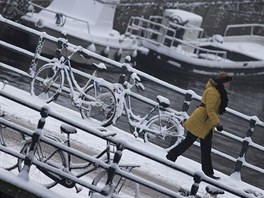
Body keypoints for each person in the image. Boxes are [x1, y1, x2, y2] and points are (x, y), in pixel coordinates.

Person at [166, 72, 233, 180]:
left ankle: (208, 172)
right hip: (200, 121)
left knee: (205, 148)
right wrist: (218, 123)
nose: (228, 85)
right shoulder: (213, 92)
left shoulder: (218, 91)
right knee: (188, 143)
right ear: (222, 82)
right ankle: (170, 157)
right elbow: (210, 110)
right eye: (227, 82)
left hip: (206, 123)